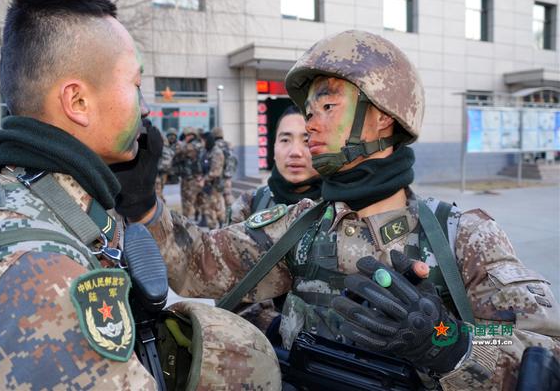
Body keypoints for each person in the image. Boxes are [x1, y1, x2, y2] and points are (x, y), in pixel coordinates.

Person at [135, 30, 560, 390]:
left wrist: (446, 340)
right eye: (309, 111)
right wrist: (143, 202)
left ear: (382, 118)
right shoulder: (301, 224)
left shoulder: (461, 236)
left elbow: (544, 350)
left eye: (328, 108)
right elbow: (195, 264)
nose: (310, 125)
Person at [0, 0, 279, 390]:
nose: (145, 108)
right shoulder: (45, 274)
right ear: (77, 101)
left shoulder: (13, 201)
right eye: (135, 84)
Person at [228, 107, 321, 225]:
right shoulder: (249, 205)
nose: (295, 152)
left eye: (307, 140)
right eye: (285, 140)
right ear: (274, 147)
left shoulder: (342, 208)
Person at [173, 126, 204, 220]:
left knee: (188, 201)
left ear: (190, 136)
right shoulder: (194, 144)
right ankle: (196, 218)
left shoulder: (194, 145)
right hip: (188, 177)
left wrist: (180, 144)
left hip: (192, 179)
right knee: (193, 200)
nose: (185, 138)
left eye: (186, 136)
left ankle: (188, 222)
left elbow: (178, 150)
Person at [200, 133, 226, 229]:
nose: (201, 143)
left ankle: (218, 229)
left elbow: (216, 171)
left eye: (202, 140)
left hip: (215, 186)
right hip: (208, 186)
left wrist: (204, 179)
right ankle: (215, 229)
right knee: (212, 208)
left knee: (215, 208)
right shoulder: (207, 151)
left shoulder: (217, 152)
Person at [210, 126, 237, 215]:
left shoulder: (215, 146)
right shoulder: (229, 145)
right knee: (228, 196)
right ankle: (232, 215)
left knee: (217, 198)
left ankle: (221, 219)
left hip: (219, 176)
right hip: (228, 176)